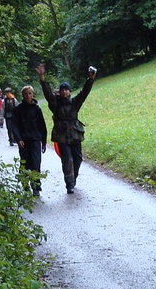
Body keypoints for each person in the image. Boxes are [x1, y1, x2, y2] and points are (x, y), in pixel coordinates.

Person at [37, 63, 97, 194]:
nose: (64, 91)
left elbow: (84, 93)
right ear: (60, 91)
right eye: (62, 89)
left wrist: (90, 79)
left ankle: (73, 178)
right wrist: (42, 78)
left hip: (75, 134)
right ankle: (69, 184)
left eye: (66, 89)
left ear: (69, 91)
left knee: (78, 159)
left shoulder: (75, 103)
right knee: (67, 160)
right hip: (61, 135)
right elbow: (48, 94)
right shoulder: (55, 104)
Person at [6, 85, 47, 195]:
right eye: (25, 93)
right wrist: (18, 139)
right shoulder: (18, 109)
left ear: (32, 94)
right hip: (23, 141)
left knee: (36, 163)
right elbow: (14, 126)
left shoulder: (37, 109)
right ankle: (25, 183)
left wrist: (44, 141)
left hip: (35, 140)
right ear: (22, 95)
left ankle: (36, 187)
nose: (28, 96)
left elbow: (42, 125)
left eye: (30, 93)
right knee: (25, 163)